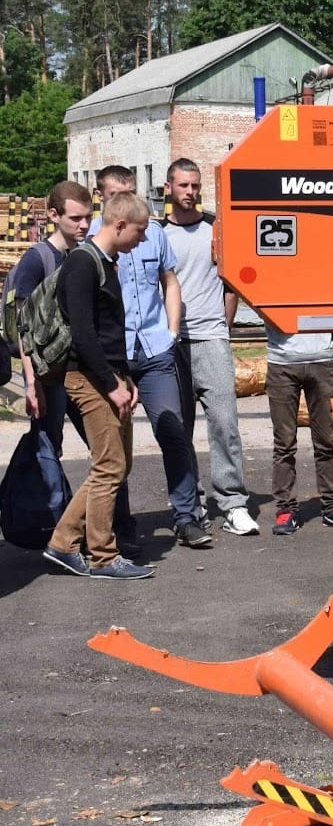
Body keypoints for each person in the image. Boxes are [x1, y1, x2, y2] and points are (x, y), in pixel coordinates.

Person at [93, 166, 211, 550]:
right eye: (118, 194)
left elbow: (169, 282)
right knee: (117, 445)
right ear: (101, 196)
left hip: (156, 349)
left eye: (132, 191)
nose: (128, 200)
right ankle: (122, 526)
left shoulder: (153, 234)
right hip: (116, 357)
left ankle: (186, 517)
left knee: (173, 432)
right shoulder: (93, 239)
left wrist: (172, 332)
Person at [42, 191, 154, 580]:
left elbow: (108, 333)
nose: (142, 238)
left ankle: (63, 543)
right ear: (120, 224)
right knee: (109, 466)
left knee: (116, 465)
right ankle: (104, 557)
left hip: (108, 376)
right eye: (139, 230)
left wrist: (127, 379)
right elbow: (84, 334)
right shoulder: (82, 263)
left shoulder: (105, 262)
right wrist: (111, 384)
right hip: (87, 377)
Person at [163, 158, 257, 536]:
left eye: (195, 185)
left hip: (212, 338)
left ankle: (233, 503)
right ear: (168, 188)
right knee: (179, 430)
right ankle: (191, 504)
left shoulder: (216, 228)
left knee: (225, 424)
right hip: (174, 344)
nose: (190, 192)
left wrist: (223, 327)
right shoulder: (158, 235)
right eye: (183, 185)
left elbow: (231, 284)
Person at [8, 182, 94, 530]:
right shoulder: (36, 260)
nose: (84, 225)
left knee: (107, 449)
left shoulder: (83, 256)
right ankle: (56, 530)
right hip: (49, 377)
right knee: (48, 450)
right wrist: (32, 383)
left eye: (88, 217)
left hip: (83, 371)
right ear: (54, 216)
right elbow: (22, 327)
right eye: (76, 218)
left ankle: (108, 526)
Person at [264, 325, 333, 535]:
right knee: (284, 443)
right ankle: (286, 508)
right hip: (282, 361)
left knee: (328, 439)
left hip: (322, 359)